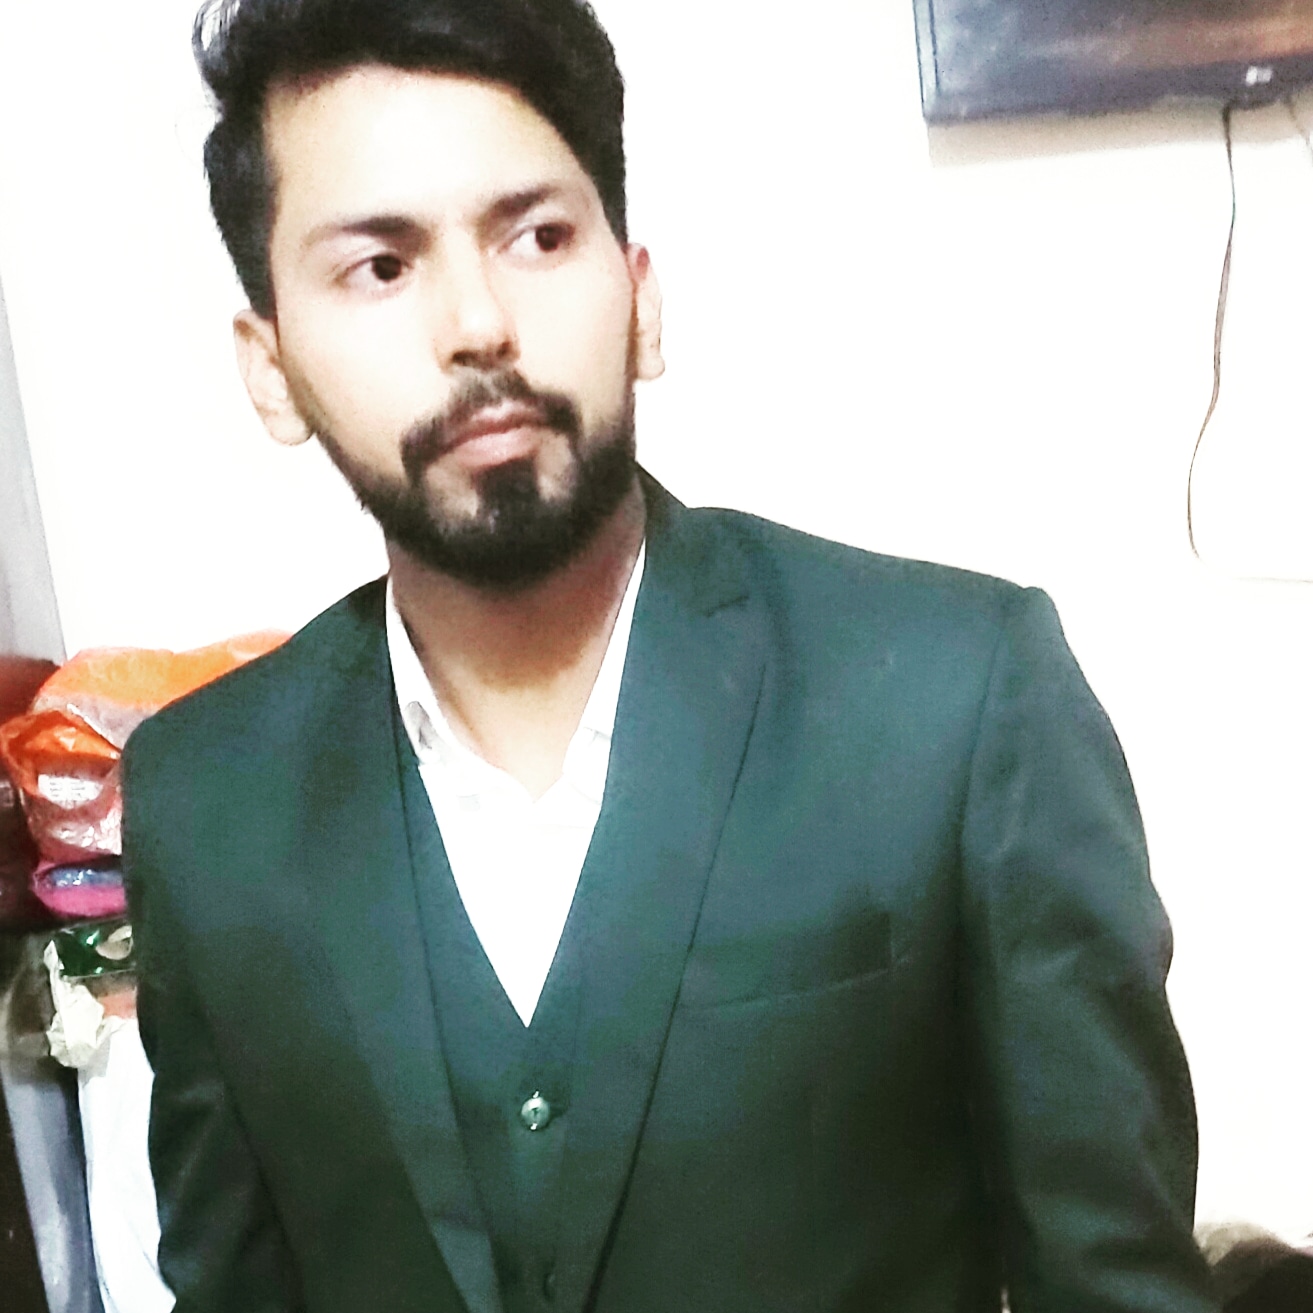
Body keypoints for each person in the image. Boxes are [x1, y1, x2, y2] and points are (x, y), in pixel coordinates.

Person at [121, 1, 1219, 1310]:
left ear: (639, 298)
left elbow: (1117, 1285)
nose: (477, 322)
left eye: (537, 236)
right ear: (270, 368)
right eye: (379, 265)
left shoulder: (957, 697)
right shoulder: (205, 803)